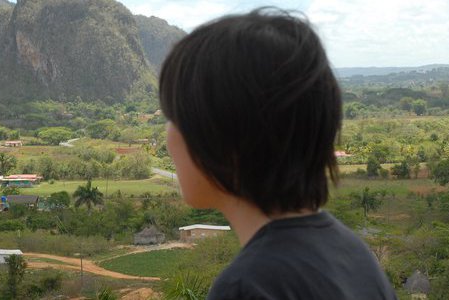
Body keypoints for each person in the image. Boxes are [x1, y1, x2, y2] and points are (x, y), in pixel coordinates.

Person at [159, 8, 397, 300]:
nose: (168, 136)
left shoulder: (247, 287)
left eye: (174, 117)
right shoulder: (355, 255)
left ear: (223, 136)